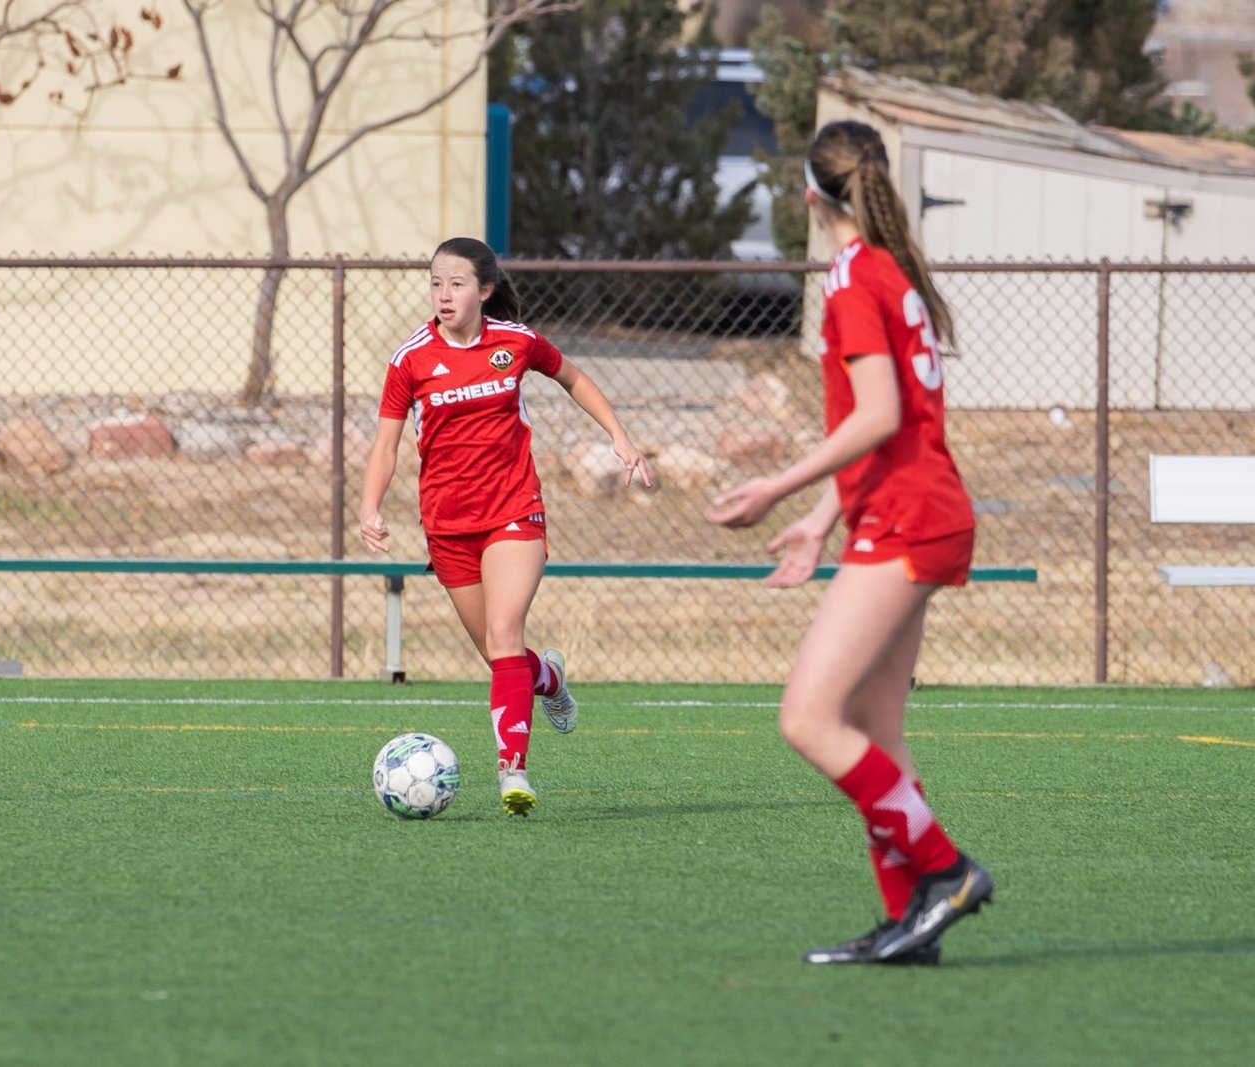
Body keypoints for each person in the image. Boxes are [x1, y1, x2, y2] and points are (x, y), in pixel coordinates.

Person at [705, 120, 992, 965]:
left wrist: (777, 485)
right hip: (916, 507)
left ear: (809, 197)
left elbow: (879, 415)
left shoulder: (854, 278)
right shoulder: (887, 268)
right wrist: (823, 515)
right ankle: (912, 922)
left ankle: (946, 872)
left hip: (907, 518)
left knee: (808, 718)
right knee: (877, 733)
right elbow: (892, 426)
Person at [360, 236, 653, 817]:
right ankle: (550, 678)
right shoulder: (410, 359)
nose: (444, 295)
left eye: (457, 284)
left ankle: (512, 771)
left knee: (502, 634)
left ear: (485, 290)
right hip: (448, 525)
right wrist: (370, 506)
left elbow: (573, 378)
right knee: (503, 657)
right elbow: (386, 445)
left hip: (514, 509)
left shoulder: (515, 342)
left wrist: (618, 435)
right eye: (436, 284)